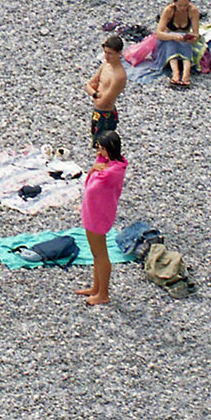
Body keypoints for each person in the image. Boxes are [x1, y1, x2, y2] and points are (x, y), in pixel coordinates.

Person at [82, 131, 128, 307]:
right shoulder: (112, 164)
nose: (98, 153)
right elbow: (97, 169)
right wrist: (97, 165)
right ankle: (96, 287)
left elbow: (93, 183)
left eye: (101, 149)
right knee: (96, 254)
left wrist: (94, 169)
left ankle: (103, 293)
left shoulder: (111, 172)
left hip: (98, 216)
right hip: (92, 212)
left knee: (101, 255)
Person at [154, 0, 201, 88]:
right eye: (180, 5)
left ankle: (186, 74)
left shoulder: (193, 11)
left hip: (184, 38)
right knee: (171, 42)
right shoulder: (169, 11)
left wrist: (192, 38)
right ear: (174, 2)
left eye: (185, 5)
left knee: (186, 43)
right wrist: (172, 36)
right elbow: (158, 32)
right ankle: (175, 73)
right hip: (169, 37)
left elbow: (196, 33)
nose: (183, 8)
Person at [86, 36, 127, 146]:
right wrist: (95, 94)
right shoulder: (105, 65)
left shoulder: (119, 76)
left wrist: (94, 93)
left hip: (106, 115)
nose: (106, 56)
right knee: (96, 143)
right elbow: (88, 85)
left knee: (104, 146)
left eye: (110, 53)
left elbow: (102, 101)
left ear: (119, 53)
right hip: (97, 113)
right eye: (105, 52)